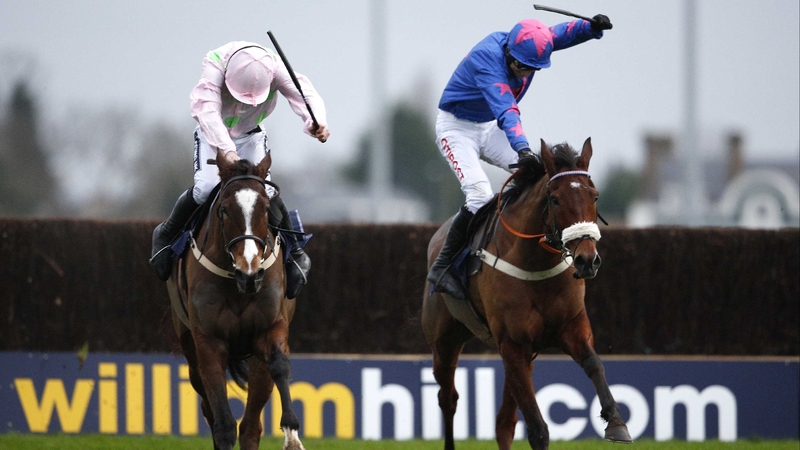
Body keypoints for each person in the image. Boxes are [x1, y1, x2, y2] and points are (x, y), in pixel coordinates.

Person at [428, 15, 612, 299]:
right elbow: (507, 111)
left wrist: (592, 28)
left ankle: (549, 246)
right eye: (522, 66)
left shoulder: (528, 43)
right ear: (508, 53)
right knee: (479, 194)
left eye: (534, 69)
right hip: (457, 129)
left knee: (542, 178)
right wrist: (524, 148)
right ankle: (442, 267)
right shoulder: (486, 61)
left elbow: (562, 34)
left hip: (487, 126)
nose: (526, 73)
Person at [150, 41, 329, 299]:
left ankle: (296, 251)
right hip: (214, 136)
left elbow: (304, 93)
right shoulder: (214, 63)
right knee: (206, 188)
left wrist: (316, 121)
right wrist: (227, 150)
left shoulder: (275, 67)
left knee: (264, 190)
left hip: (251, 136)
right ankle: (166, 233)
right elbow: (207, 110)